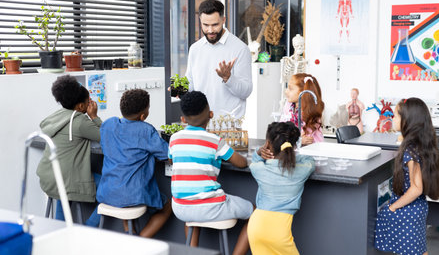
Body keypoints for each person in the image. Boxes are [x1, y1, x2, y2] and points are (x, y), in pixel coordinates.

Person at [169, 91, 253, 255]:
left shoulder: (175, 138)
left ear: (183, 119)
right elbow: (241, 163)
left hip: (180, 207)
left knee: (191, 215)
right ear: (211, 114)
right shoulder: (215, 140)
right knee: (255, 213)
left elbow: (172, 160)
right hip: (210, 207)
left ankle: (193, 252)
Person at [97, 89, 171, 237]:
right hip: (133, 195)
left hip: (107, 192)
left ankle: (129, 232)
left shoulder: (108, 125)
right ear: (143, 116)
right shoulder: (146, 130)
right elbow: (169, 156)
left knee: (124, 184)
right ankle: (138, 243)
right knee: (168, 205)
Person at [375, 98, 439, 255]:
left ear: (407, 121)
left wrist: (393, 207)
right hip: (418, 208)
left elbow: (416, 188)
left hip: (408, 213)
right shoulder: (419, 145)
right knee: (419, 250)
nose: (392, 118)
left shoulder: (409, 151)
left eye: (396, 116)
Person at [37, 75, 102, 226]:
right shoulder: (80, 121)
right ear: (80, 107)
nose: (90, 104)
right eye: (88, 102)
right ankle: (87, 230)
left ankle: (59, 234)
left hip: (51, 177)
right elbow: (105, 137)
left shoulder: (56, 116)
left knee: (63, 197)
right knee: (113, 189)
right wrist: (94, 116)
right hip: (66, 180)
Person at [248, 122, 315, 254]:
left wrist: (259, 151)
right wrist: (292, 156)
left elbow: (254, 161)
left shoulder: (260, 168)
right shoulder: (301, 171)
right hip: (279, 234)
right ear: (293, 145)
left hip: (255, 228)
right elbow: (310, 161)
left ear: (268, 144)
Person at [185, 0, 252, 119]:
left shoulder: (240, 49)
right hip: (200, 122)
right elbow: (191, 83)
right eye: (205, 25)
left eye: (215, 25)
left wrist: (228, 78)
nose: (210, 30)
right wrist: (179, 89)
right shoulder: (195, 49)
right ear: (200, 20)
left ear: (223, 20)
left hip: (228, 126)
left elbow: (246, 91)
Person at [280, 73, 325, 146]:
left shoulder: (310, 111)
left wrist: (295, 139)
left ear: (302, 92)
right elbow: (281, 129)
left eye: (290, 89)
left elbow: (307, 139)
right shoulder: (288, 106)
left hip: (311, 150)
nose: (286, 91)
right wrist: (296, 140)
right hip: (292, 148)